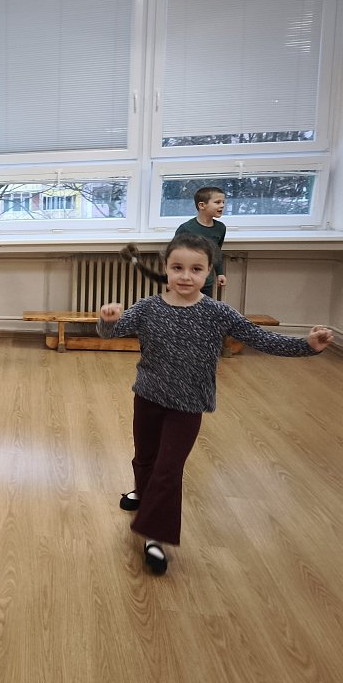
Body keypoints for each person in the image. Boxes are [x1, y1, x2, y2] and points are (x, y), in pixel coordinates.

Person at [98, 233, 333, 576]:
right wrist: (107, 320)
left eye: (196, 269)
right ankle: (143, 493)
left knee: (168, 469)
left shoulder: (218, 313)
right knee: (145, 458)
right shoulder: (148, 308)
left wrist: (306, 346)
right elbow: (110, 333)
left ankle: (154, 537)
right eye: (177, 268)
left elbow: (260, 338)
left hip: (188, 405)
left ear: (209, 272)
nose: (185, 276)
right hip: (147, 398)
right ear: (166, 268)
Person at [175, 186, 226, 298]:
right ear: (202, 205)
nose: (222, 205)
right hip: (187, 281)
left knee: (205, 307)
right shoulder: (186, 228)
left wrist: (220, 273)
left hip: (206, 282)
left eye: (223, 202)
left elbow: (217, 253)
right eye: (217, 202)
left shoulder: (221, 228)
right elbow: (174, 256)